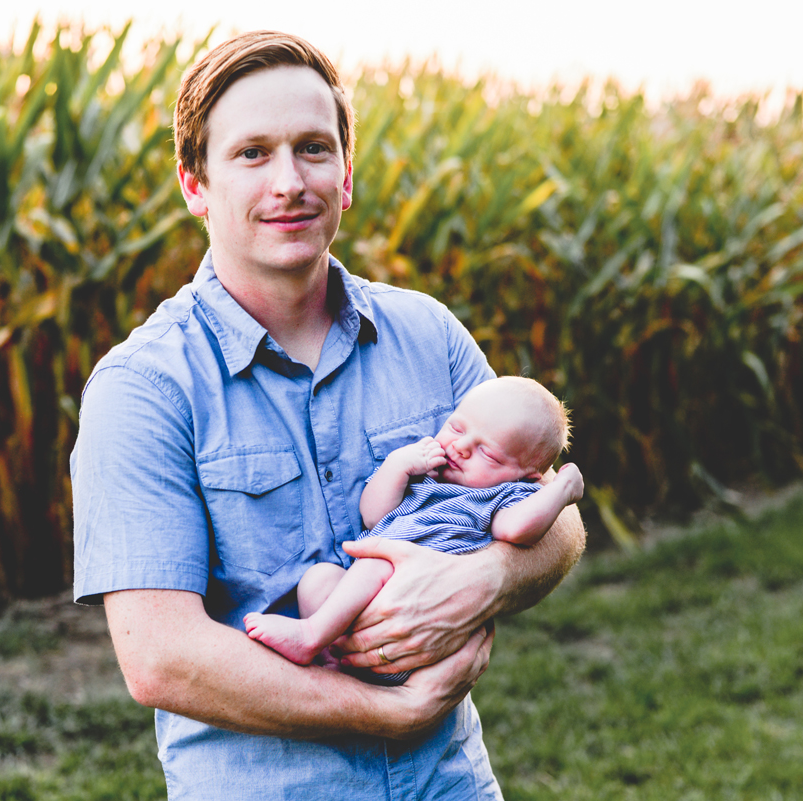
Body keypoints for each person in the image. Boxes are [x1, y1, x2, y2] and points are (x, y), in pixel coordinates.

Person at [70, 30, 585, 799]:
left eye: (314, 149)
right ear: (194, 184)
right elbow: (160, 656)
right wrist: (388, 710)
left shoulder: (428, 335)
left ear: (345, 177)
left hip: (450, 783)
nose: (290, 182)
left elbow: (560, 523)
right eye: (252, 154)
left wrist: (487, 579)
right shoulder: (142, 388)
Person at [244, 376, 585, 685]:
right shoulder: (426, 474)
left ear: (527, 477)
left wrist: (562, 489)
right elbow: (373, 515)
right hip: (363, 607)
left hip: (416, 631)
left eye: (488, 453)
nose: (462, 447)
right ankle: (333, 658)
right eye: (456, 428)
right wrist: (398, 466)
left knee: (378, 562)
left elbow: (518, 529)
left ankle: (310, 635)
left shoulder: (505, 496)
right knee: (318, 578)